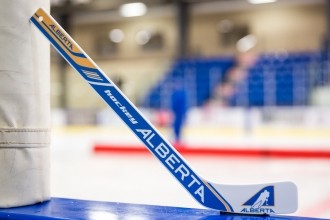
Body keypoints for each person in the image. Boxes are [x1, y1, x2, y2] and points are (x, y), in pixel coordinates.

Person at [171, 80, 188, 147]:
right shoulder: (175, 94)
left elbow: (184, 105)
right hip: (176, 112)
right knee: (176, 126)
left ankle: (178, 139)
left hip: (179, 112)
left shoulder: (180, 94)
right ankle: (176, 139)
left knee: (179, 126)